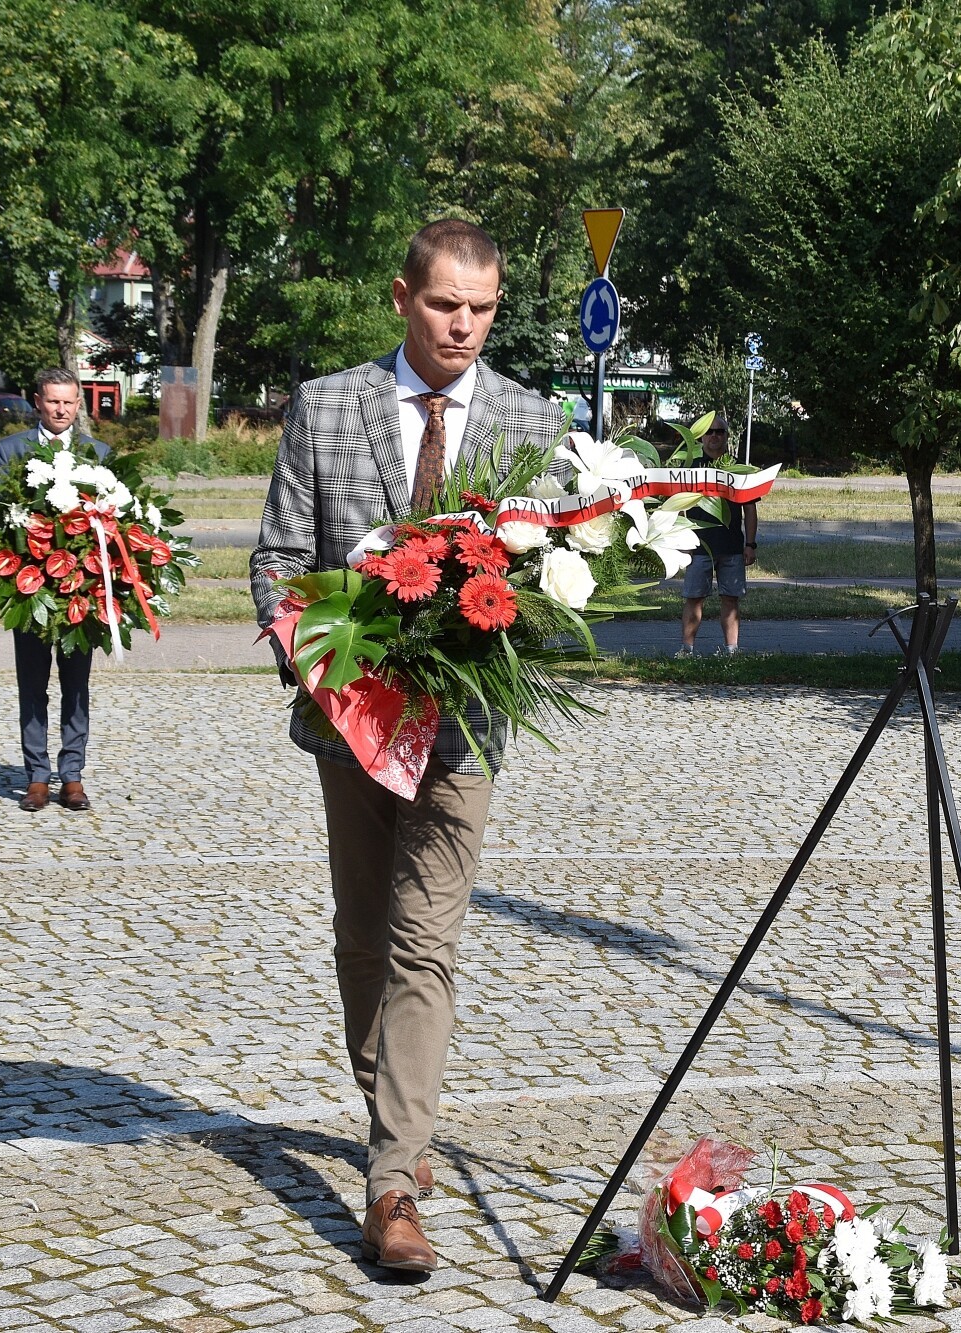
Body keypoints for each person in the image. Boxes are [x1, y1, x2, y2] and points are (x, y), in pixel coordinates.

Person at [250, 219, 568, 1274]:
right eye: (444, 305)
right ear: (402, 298)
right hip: (351, 721)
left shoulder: (532, 418)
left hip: (464, 728)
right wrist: (325, 662)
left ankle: (391, 1181)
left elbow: (550, 578)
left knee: (423, 942)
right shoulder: (328, 405)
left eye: (481, 309)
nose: (463, 326)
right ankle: (396, 1109)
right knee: (361, 935)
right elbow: (276, 558)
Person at [0, 368, 107, 812]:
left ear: (78, 405)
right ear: (37, 401)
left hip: (82, 590)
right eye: (52, 401)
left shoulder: (97, 453)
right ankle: (36, 775)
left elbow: (114, 519)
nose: (60, 409)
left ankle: (72, 775)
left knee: (76, 685)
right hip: (29, 588)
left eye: (68, 402)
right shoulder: (11, 450)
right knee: (32, 684)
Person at [678, 415, 758, 654]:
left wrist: (750, 544)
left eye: (719, 432)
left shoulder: (738, 468)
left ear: (727, 436)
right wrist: (681, 540)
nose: (714, 436)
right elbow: (677, 506)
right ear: (701, 436)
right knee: (694, 598)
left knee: (731, 599)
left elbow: (750, 509)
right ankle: (686, 650)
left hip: (731, 545)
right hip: (698, 545)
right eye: (709, 431)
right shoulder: (690, 468)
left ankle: (732, 650)